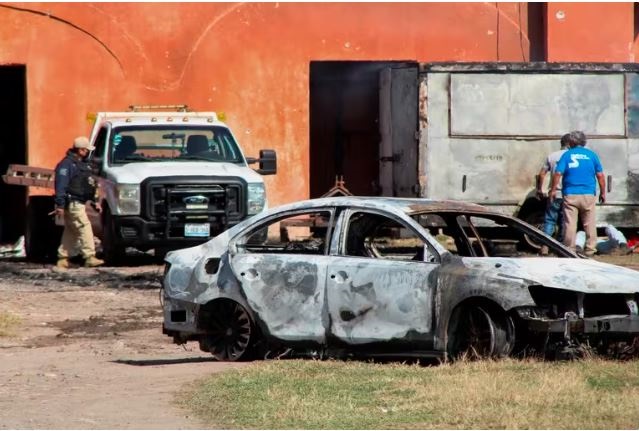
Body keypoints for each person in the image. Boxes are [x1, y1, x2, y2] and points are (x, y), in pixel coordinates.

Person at [549, 130, 606, 256]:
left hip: (571, 193)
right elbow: (600, 175)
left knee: (570, 223)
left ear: (572, 142)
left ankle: (570, 249)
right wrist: (602, 192)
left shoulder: (567, 155)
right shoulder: (592, 155)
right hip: (588, 194)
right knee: (589, 222)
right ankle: (590, 250)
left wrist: (553, 190)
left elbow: (558, 173)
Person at [54, 136, 104, 269]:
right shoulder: (66, 165)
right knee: (84, 226)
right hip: (73, 202)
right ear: (81, 150)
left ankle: (63, 259)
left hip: (79, 202)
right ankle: (89, 256)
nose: (88, 152)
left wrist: (94, 201)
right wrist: (60, 204)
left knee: (70, 231)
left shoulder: (81, 164)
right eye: (86, 150)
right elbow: (61, 185)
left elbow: (88, 184)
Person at [536, 133, 570, 241]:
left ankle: (545, 245)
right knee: (564, 221)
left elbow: (542, 174)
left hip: (554, 193)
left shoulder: (552, 156)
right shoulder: (572, 156)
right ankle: (560, 245)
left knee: (550, 220)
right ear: (570, 143)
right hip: (568, 193)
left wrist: (540, 190)